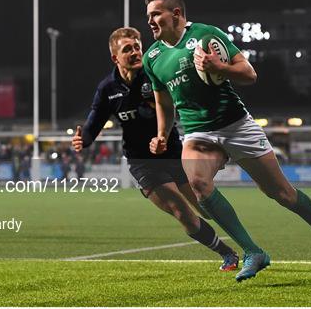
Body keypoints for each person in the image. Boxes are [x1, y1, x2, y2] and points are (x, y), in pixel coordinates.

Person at [143, 0, 311, 281]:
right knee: (199, 185)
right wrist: (163, 134)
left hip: (236, 125)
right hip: (198, 133)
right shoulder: (153, 57)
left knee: (282, 194)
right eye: (148, 15)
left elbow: (249, 74)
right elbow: (163, 100)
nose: (150, 21)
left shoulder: (205, 35)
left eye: (156, 14)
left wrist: (219, 67)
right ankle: (253, 251)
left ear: (176, 14)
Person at [72, 27, 239, 271]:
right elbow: (93, 123)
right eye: (127, 49)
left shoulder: (153, 76)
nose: (135, 51)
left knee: (207, 208)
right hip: (142, 162)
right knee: (181, 211)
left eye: (137, 46)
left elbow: (181, 101)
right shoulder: (108, 89)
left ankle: (250, 246)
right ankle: (228, 254)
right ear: (114, 58)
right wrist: (83, 140)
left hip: (173, 152)